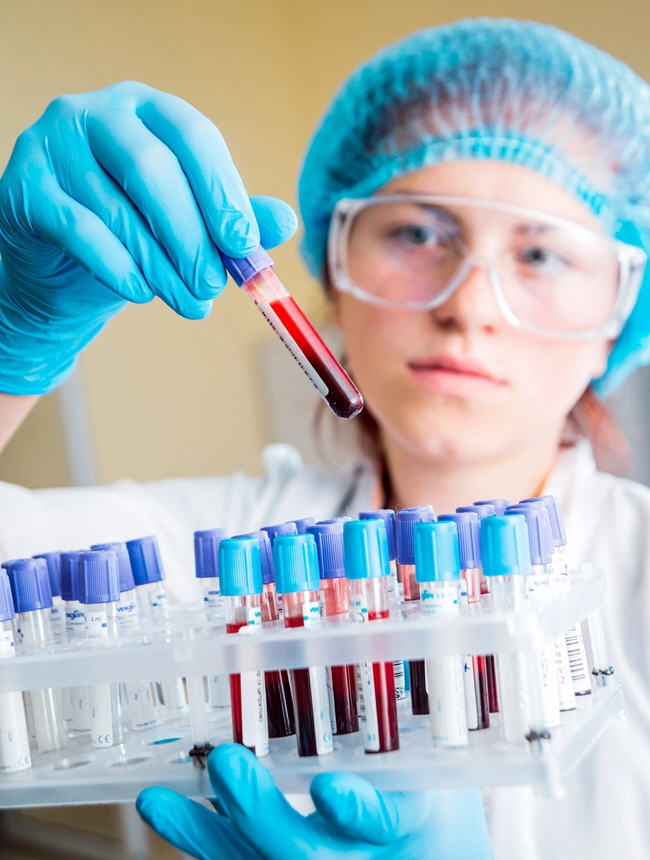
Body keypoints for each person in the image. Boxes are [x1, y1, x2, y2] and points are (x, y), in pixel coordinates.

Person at [0, 15, 648, 859]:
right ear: (336, 276)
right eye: (417, 232)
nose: (468, 306)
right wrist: (10, 339)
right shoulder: (228, 564)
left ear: (617, 316)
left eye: (543, 255)